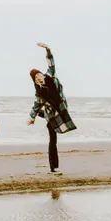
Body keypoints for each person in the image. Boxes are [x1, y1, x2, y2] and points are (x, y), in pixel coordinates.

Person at [27, 42, 76, 174]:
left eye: (38, 75)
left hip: (60, 109)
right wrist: (32, 117)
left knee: (43, 113)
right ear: (35, 82)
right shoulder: (40, 92)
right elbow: (36, 104)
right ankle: (54, 168)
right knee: (53, 140)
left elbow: (51, 64)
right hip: (51, 115)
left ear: (42, 75)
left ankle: (41, 114)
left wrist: (48, 50)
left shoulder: (51, 77)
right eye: (35, 78)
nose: (38, 78)